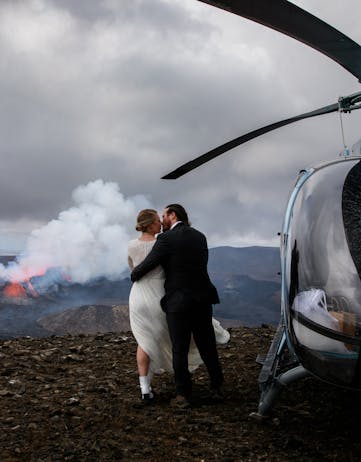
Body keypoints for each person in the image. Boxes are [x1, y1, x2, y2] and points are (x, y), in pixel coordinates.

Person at [128, 209, 229, 405]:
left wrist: (134, 275)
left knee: (179, 349)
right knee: (207, 346)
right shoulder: (200, 236)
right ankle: (217, 387)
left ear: (173, 215)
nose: (162, 220)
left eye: (164, 216)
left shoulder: (166, 238)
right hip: (202, 297)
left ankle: (183, 395)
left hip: (178, 301)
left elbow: (150, 262)